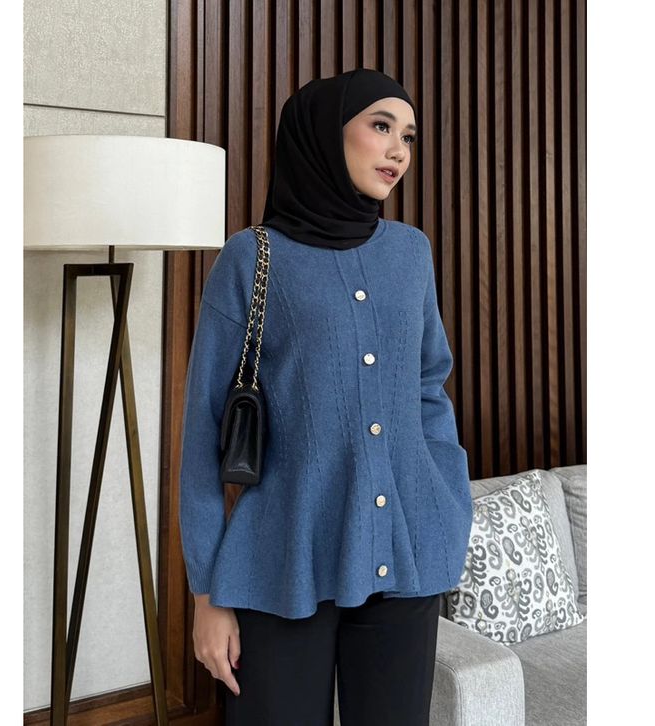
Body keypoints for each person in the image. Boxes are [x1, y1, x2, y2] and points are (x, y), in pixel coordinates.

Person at [178, 68, 474, 726]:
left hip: (404, 556)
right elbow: (203, 433)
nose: (398, 149)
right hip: (281, 565)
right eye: (380, 126)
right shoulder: (251, 259)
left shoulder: (410, 254)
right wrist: (207, 594)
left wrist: (447, 501)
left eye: (408, 136)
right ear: (323, 133)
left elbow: (428, 388)